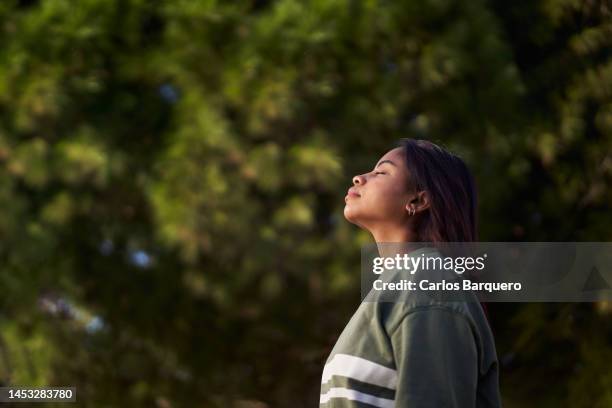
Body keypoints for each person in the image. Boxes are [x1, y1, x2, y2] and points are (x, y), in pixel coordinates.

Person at [319, 139, 502, 407]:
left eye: (381, 172)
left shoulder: (428, 282)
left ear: (418, 200)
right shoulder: (397, 286)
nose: (359, 178)